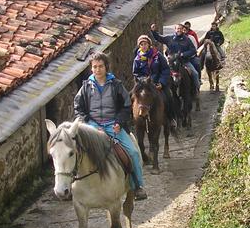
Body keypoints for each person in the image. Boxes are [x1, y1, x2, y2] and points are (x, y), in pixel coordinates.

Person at [74, 52, 147, 200]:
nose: (97, 69)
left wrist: (119, 122)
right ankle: (71, 185)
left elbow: (126, 106)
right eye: (94, 67)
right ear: (91, 68)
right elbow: (78, 108)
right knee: (72, 152)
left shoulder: (116, 85)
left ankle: (138, 186)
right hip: (92, 127)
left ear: (106, 67)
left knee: (133, 152)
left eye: (100, 66)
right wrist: (90, 124)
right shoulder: (86, 87)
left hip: (113, 126)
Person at [132, 35, 177, 129]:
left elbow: (165, 69)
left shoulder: (157, 55)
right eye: (141, 44)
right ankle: (133, 120)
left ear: (149, 45)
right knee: (131, 97)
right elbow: (136, 73)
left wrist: (161, 82)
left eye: (145, 44)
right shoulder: (137, 59)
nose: (144, 46)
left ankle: (171, 118)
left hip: (157, 83)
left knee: (169, 96)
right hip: (144, 85)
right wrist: (143, 82)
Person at [149, 23, 201, 93]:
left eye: (180, 29)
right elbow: (159, 38)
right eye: (177, 28)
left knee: (195, 74)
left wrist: (183, 54)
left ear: (183, 30)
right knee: (161, 72)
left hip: (184, 62)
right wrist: (153, 31)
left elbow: (193, 50)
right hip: (171, 62)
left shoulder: (187, 40)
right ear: (175, 29)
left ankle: (197, 90)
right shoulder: (169, 38)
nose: (179, 30)